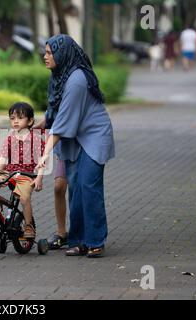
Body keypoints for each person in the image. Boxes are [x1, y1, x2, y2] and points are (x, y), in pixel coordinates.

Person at [37, 34, 115, 258]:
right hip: (75, 137)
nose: (45, 56)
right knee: (75, 189)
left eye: (50, 53)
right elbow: (57, 110)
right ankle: (79, 240)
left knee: (88, 185)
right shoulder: (59, 75)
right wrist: (41, 123)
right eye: (46, 52)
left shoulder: (77, 79)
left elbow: (64, 122)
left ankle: (95, 240)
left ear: (62, 53)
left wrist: (45, 154)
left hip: (93, 135)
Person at [0, 102, 46, 239]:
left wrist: (39, 177)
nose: (15, 121)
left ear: (30, 121)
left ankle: (29, 225)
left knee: (24, 198)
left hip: (26, 175)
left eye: (20, 118)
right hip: (10, 173)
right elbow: (3, 158)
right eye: (12, 118)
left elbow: (42, 161)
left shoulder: (35, 139)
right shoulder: (10, 138)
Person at [34, 120, 69, 250]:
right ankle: (62, 233)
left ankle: (82, 233)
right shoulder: (55, 103)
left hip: (80, 147)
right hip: (64, 152)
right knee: (58, 188)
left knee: (80, 191)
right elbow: (52, 113)